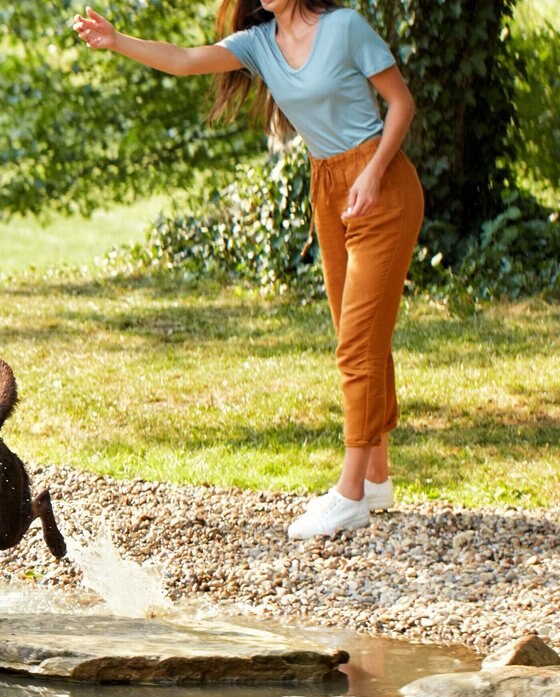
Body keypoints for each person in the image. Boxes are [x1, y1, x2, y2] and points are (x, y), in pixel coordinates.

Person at [73, 3, 423, 539]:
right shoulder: (259, 43)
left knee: (356, 345)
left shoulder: (345, 28)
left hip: (382, 185)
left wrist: (374, 174)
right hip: (328, 187)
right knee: (359, 336)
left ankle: (351, 494)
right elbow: (186, 59)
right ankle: (376, 476)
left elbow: (401, 103)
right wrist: (118, 40)